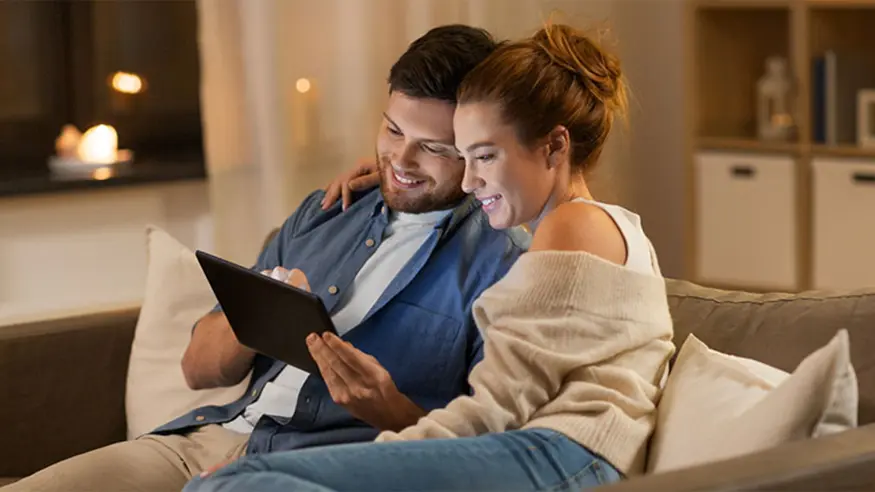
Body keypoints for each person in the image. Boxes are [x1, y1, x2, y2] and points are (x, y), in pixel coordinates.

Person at [3, 25, 529, 492]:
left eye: (434, 148)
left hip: (326, 468)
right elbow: (197, 369)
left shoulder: (504, 268)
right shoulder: (328, 211)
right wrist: (263, 313)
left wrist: (384, 406)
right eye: (393, 131)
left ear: (477, 144)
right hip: (209, 442)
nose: (402, 162)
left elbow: (494, 458)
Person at [184, 22, 676, 492]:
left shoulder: (570, 226)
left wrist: (366, 455)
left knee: (231, 483)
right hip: (546, 454)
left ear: (554, 146)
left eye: (483, 156)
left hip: (559, 456)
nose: (469, 181)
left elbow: (495, 410)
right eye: (463, 156)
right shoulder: (602, 227)